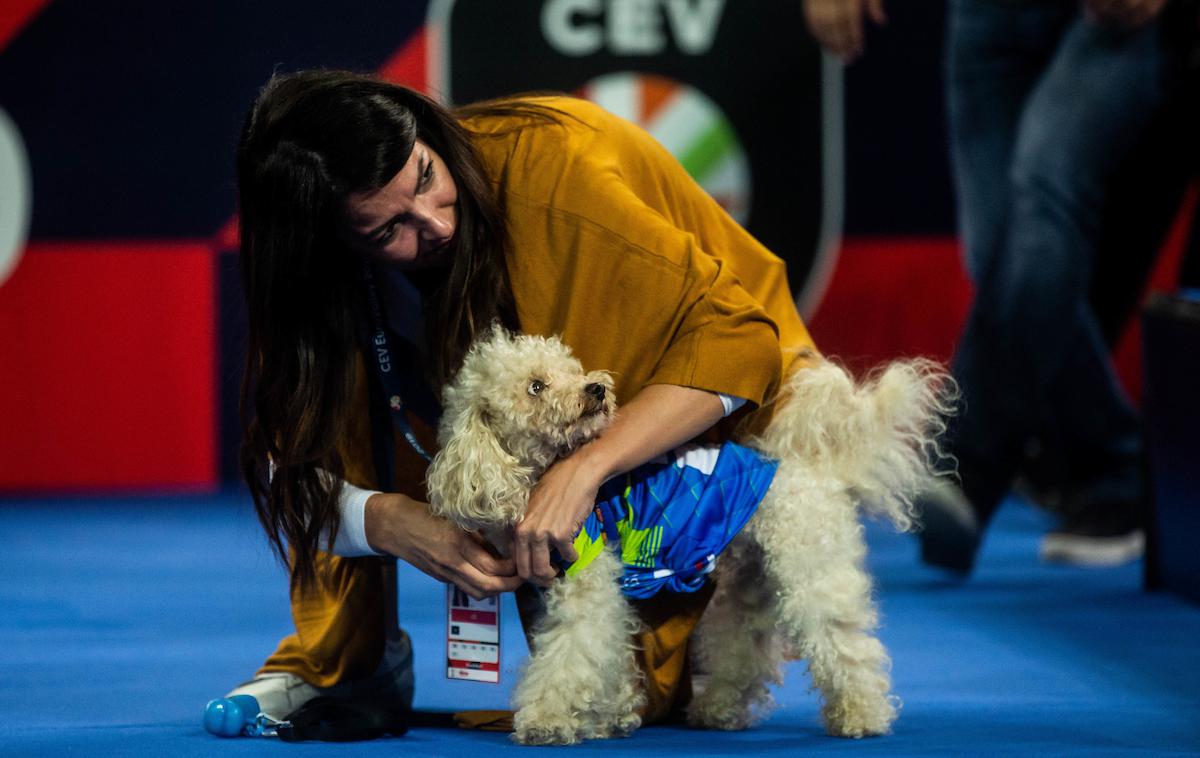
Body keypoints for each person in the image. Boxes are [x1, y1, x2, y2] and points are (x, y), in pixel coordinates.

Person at [226, 70, 819, 723]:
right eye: (386, 228)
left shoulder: (556, 182)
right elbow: (292, 476)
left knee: (622, 680)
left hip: (730, 385)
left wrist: (586, 467)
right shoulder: (307, 284)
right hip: (510, 364)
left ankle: (738, 576)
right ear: (331, 246)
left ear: (427, 135)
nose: (435, 223)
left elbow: (741, 342)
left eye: (426, 176)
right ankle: (344, 662)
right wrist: (391, 521)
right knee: (336, 399)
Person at [801, 0, 1181, 574]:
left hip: (1104, 20)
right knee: (996, 253)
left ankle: (963, 465)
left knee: (1045, 193)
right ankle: (1114, 464)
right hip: (984, 15)